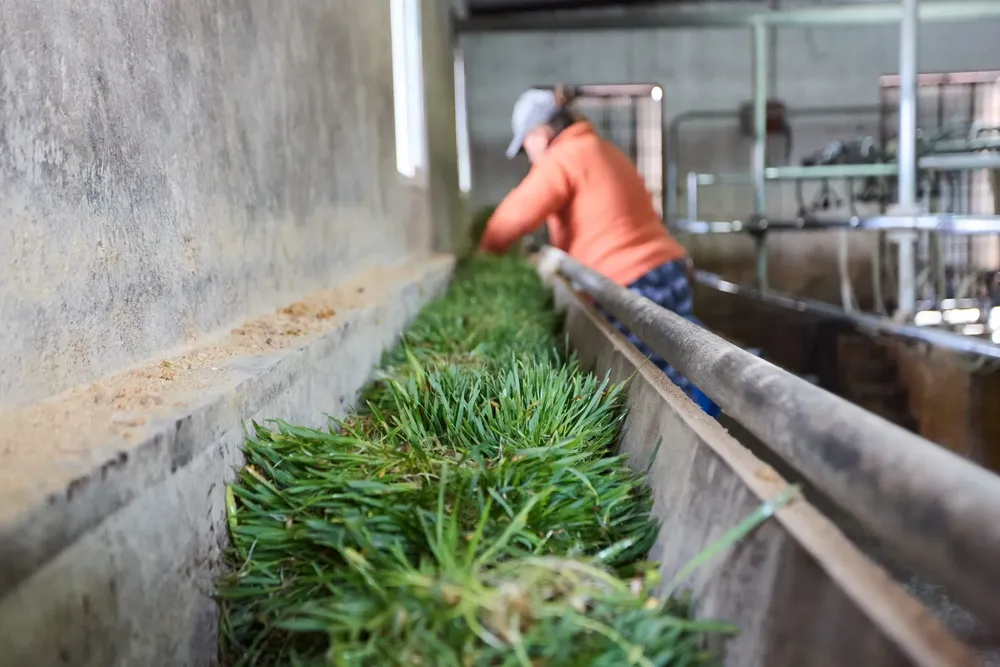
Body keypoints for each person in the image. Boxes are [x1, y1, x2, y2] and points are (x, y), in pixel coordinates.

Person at [478, 86, 721, 419]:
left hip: (631, 282)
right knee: (682, 349)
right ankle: (729, 383)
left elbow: (513, 216)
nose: (529, 155)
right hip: (667, 268)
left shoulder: (564, 156)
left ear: (542, 132)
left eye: (526, 145)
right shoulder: (603, 149)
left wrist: (484, 254)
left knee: (656, 376)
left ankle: (700, 422)